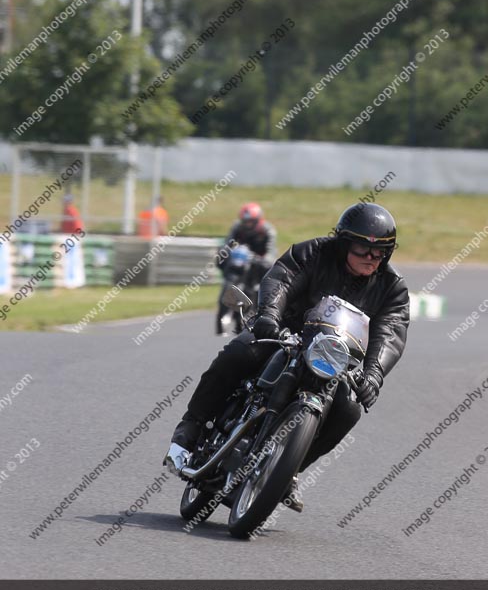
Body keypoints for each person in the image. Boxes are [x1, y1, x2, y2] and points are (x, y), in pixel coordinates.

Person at [165, 202, 410, 512]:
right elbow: (281, 278)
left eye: (380, 252)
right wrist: (268, 315)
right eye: (363, 249)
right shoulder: (314, 253)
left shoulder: (393, 288)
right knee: (239, 353)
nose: (371, 258)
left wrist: (373, 374)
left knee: (349, 410)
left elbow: (391, 331)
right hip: (285, 334)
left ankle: (290, 470)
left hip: (333, 358)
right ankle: (190, 427)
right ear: (346, 243)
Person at [217, 202, 277, 281]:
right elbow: (228, 244)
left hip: (258, 260)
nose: (248, 224)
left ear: (257, 220)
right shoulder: (237, 227)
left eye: (251, 221)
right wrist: (225, 252)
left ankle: (261, 288)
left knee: (269, 268)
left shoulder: (267, 230)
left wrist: (265, 259)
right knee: (221, 256)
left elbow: (271, 251)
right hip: (240, 259)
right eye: (245, 221)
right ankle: (227, 281)